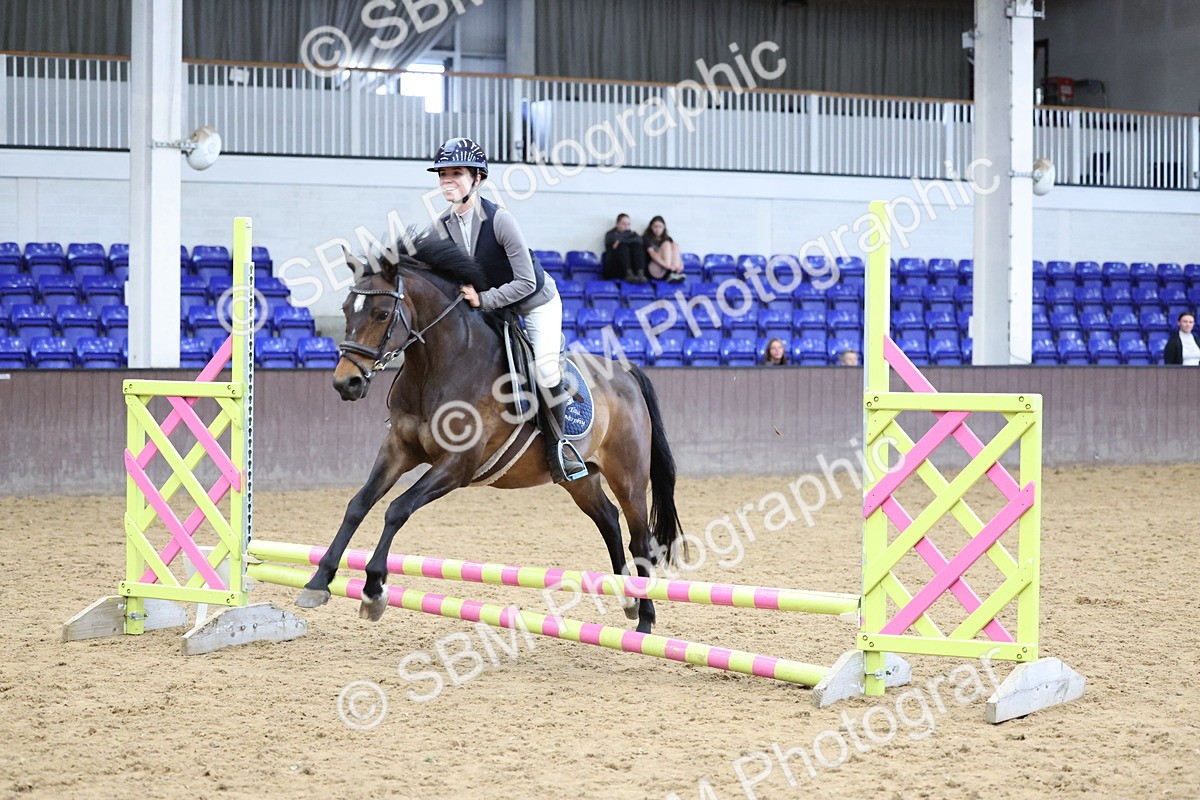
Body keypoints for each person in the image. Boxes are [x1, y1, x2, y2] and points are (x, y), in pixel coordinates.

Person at [429, 137, 586, 483]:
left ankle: (561, 449)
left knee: (544, 373)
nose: (447, 180)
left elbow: (527, 282)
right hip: (491, 309)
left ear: (478, 179)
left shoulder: (500, 220)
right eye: (443, 174)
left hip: (534, 304)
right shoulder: (441, 226)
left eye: (457, 173)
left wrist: (482, 301)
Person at [602, 214, 649, 283]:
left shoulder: (633, 234)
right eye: (623, 224)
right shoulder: (610, 234)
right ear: (617, 224)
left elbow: (640, 241)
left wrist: (620, 239)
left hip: (632, 269)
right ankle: (628, 273)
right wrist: (626, 236)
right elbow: (613, 241)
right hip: (615, 267)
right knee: (622, 246)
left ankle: (640, 273)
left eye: (628, 224)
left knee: (637, 246)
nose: (626, 227)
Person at [642, 215, 686, 282]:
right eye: (655, 227)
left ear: (664, 228)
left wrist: (680, 265)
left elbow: (675, 253)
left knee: (674, 245)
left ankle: (675, 273)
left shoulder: (667, 238)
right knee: (666, 244)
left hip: (667, 270)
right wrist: (667, 266)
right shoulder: (646, 238)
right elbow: (652, 254)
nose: (657, 229)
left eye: (660, 227)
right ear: (651, 227)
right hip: (654, 268)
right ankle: (672, 272)